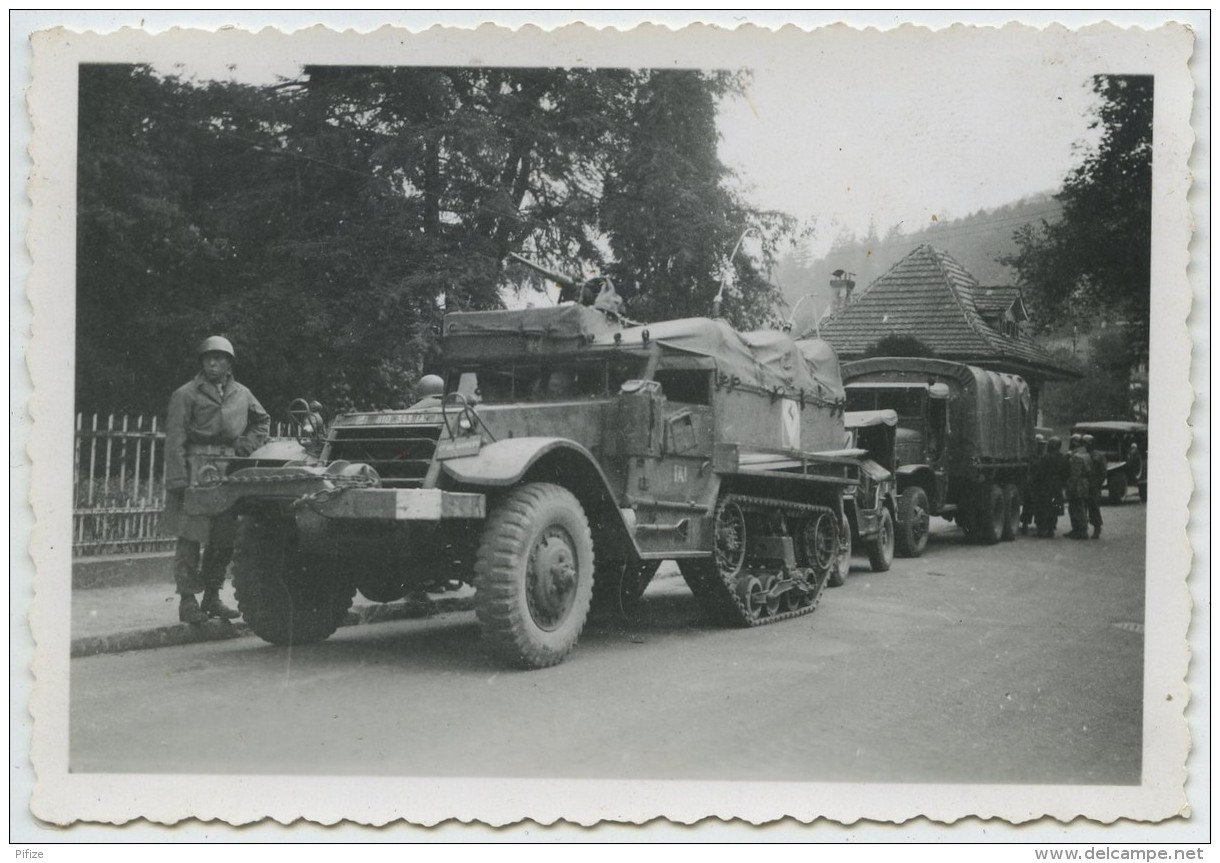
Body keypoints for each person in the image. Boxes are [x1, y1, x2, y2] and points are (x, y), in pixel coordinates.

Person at [161, 336, 270, 624]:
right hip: (196, 468)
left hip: (230, 470)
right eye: (208, 358)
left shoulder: (242, 393)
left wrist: (245, 446)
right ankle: (187, 601)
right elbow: (175, 439)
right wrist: (177, 480)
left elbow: (262, 421)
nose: (213, 363)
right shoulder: (186, 394)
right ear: (201, 362)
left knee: (224, 537)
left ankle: (212, 597)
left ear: (229, 363)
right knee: (191, 536)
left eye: (220, 358)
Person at [1034, 436, 1067, 537]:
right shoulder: (1062, 457)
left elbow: (1040, 472)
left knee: (1043, 506)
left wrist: (1036, 482)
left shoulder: (1046, 457)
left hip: (1046, 484)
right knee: (1054, 506)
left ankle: (1042, 529)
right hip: (1057, 485)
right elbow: (1065, 472)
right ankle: (1051, 528)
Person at [1064, 434, 1092, 540]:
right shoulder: (1086, 454)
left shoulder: (1076, 456)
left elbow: (1075, 473)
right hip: (1084, 483)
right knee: (1081, 507)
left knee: (1076, 507)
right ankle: (1079, 529)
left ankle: (1080, 530)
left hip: (1077, 484)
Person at [1020, 434, 1047, 534]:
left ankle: (1039, 526)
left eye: (1042, 445)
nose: (1041, 447)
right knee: (1029, 504)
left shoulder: (1043, 456)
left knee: (1039, 505)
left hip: (1040, 483)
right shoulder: (1032, 456)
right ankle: (1025, 525)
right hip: (1032, 483)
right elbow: (1029, 470)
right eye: (1039, 444)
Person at [1084, 433, 1106, 539]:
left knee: (1094, 507)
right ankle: (1082, 529)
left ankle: (1097, 528)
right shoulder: (1083, 455)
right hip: (1084, 483)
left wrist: (1098, 483)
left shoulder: (1099, 455)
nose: (1085, 446)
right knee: (1083, 507)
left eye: (1087, 443)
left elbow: (1103, 471)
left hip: (1094, 484)